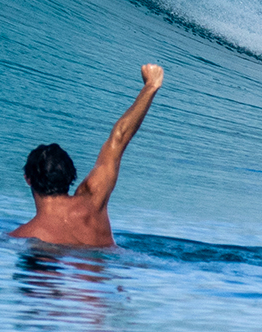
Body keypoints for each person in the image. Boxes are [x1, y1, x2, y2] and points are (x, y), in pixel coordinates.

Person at [11, 63, 164, 246]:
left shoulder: (25, 235)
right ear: (70, 174)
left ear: (28, 178)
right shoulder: (92, 200)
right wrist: (151, 86)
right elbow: (119, 138)